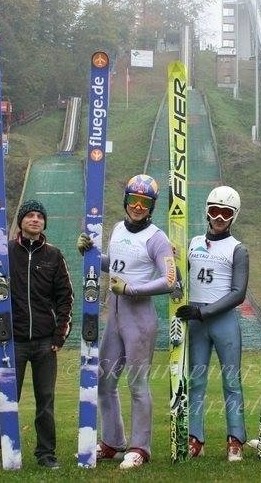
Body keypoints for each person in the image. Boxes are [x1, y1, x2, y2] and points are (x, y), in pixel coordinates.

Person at [77, 174, 176, 470]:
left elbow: (169, 280)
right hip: (115, 313)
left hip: (140, 317)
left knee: (137, 383)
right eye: (133, 200)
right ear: (125, 200)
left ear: (152, 207)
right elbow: (115, 264)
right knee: (104, 382)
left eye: (144, 203)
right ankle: (112, 441)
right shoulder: (119, 228)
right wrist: (91, 252)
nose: (137, 207)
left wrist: (131, 289)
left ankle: (139, 447)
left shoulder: (157, 238)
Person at [0, 199, 73, 470]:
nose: (35, 220)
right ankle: (4, 444)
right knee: (9, 396)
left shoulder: (54, 255)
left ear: (44, 223)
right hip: (14, 341)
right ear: (20, 222)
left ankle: (46, 454)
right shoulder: (4, 252)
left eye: (39, 216)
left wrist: (59, 336)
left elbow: (66, 297)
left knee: (46, 400)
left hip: (45, 342)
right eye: (29, 215)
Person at [176, 186, 249, 462]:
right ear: (207, 211)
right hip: (196, 320)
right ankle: (195, 437)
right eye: (214, 211)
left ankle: (235, 439)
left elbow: (238, 293)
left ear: (233, 216)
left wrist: (203, 313)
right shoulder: (193, 241)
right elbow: (181, 277)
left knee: (231, 381)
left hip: (222, 320)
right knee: (196, 381)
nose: (219, 217)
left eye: (226, 213)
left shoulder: (238, 249)